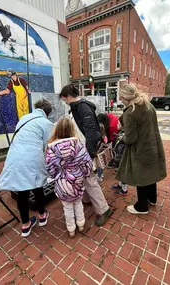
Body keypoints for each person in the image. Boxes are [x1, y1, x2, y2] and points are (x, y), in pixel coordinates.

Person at [59, 84, 112, 226]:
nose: (65, 102)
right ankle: (88, 199)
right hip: (82, 150)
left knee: (89, 179)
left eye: (64, 99)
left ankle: (103, 209)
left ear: (69, 97)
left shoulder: (82, 107)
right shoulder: (78, 107)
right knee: (85, 177)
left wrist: (88, 153)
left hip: (85, 151)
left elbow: (91, 131)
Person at [0, 99, 53, 237]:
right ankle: (42, 216)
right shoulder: (46, 123)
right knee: (38, 186)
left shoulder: (24, 118)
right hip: (32, 157)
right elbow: (47, 145)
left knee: (22, 190)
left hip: (14, 156)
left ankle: (25, 225)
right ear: (47, 112)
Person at [115, 84, 167, 214]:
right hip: (153, 145)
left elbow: (131, 138)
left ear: (124, 98)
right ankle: (152, 198)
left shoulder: (130, 112)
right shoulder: (149, 105)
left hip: (140, 149)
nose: (120, 100)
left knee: (141, 176)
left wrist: (122, 138)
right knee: (150, 173)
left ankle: (142, 206)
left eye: (121, 97)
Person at [46, 117, 92, 237]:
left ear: (57, 130)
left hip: (62, 182)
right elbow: (87, 163)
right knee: (78, 202)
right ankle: (81, 224)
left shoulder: (51, 149)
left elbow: (50, 168)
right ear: (72, 129)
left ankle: (71, 229)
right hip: (78, 180)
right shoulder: (79, 145)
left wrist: (55, 176)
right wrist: (85, 174)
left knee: (67, 206)